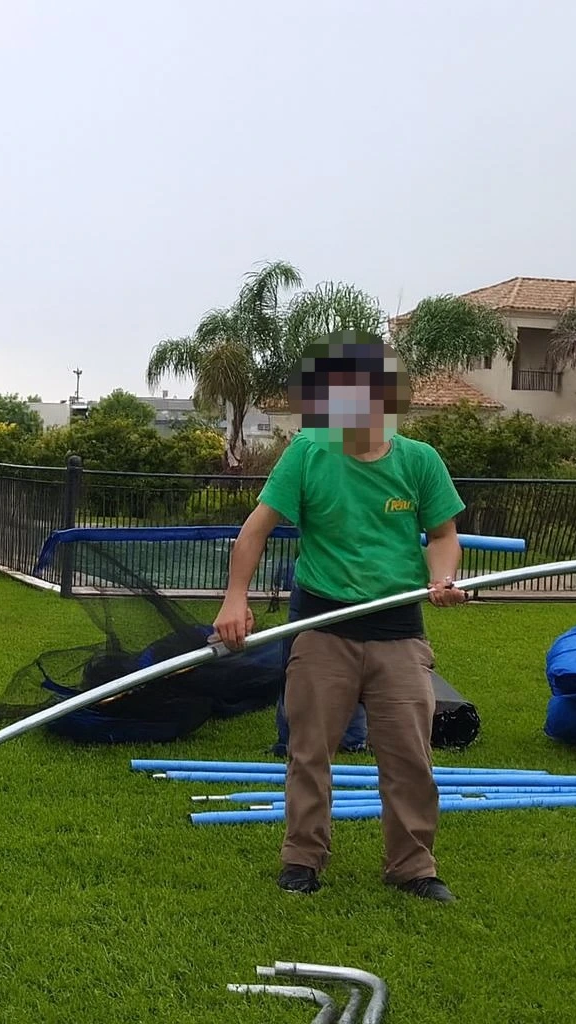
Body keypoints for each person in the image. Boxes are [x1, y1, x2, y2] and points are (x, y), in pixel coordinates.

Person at [213, 331, 468, 902]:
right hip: (323, 628)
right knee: (310, 753)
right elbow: (255, 531)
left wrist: (443, 577)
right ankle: (302, 859)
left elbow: (444, 535)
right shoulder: (309, 452)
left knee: (409, 757)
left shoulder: (420, 460)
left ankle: (412, 866)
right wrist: (235, 598)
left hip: (398, 631)